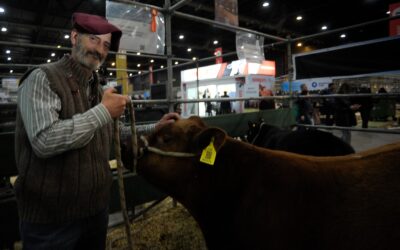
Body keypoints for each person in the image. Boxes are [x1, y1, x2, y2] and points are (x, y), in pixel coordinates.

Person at [14, 12, 179, 249]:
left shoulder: (98, 88)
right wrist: (103, 111)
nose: (100, 50)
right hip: (51, 222)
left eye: (105, 45)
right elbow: (44, 140)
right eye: (93, 39)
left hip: (95, 211)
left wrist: (157, 126)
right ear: (74, 37)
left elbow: (114, 130)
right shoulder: (42, 78)